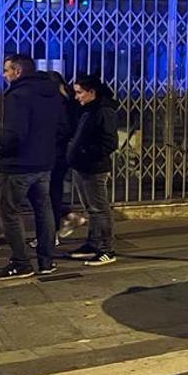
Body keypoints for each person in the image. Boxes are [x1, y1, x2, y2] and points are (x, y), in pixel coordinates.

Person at [0, 54, 67, 280]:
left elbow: (14, 133)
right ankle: (46, 260)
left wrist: (0, 150)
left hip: (19, 164)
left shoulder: (18, 96)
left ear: (17, 71)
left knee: (8, 210)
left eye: (6, 71)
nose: (4, 75)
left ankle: (20, 261)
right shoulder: (53, 94)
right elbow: (63, 127)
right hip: (44, 163)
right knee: (43, 210)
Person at [66, 74, 119, 266]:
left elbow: (110, 142)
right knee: (91, 209)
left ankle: (106, 249)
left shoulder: (103, 111)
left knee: (99, 209)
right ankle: (93, 243)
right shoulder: (88, 109)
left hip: (94, 167)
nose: (77, 96)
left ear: (92, 92)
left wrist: (86, 152)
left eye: (80, 92)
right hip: (83, 166)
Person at [44, 71, 83, 244]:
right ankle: (65, 217)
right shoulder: (69, 101)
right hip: (62, 153)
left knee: (48, 192)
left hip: (56, 153)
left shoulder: (59, 102)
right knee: (52, 191)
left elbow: (64, 129)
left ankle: (52, 232)